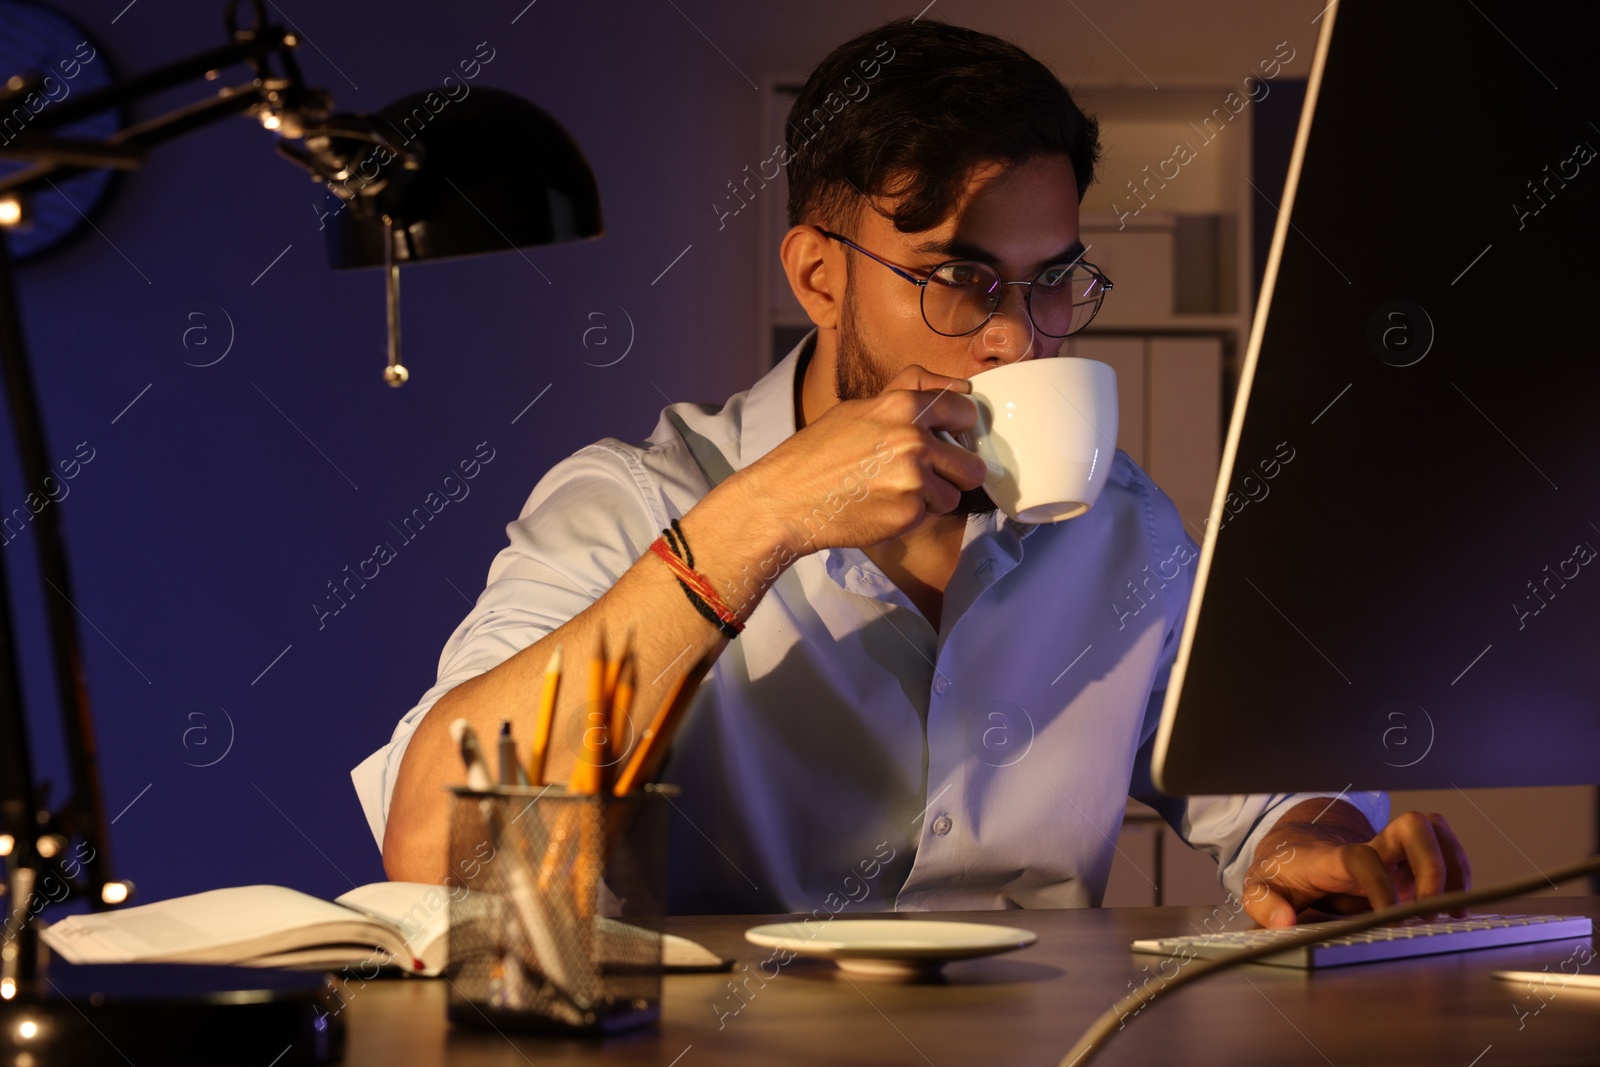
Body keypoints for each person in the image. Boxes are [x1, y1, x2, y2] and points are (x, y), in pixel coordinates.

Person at [354, 17, 1470, 924]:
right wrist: (761, 525)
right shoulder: (633, 500)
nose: (1018, 340)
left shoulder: (1118, 528)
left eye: (1051, 279)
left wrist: (1306, 842)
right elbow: (436, 847)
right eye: (958, 277)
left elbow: (1266, 793)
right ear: (818, 276)